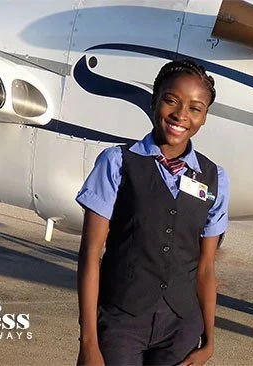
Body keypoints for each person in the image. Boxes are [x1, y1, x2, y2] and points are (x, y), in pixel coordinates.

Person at [75, 59, 230, 366]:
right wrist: (88, 343)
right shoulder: (117, 162)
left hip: (181, 330)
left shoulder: (215, 178)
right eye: (171, 101)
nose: (180, 116)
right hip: (122, 324)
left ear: (204, 118)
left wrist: (209, 341)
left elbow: (206, 268)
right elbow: (91, 255)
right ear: (154, 100)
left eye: (195, 108)